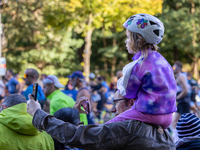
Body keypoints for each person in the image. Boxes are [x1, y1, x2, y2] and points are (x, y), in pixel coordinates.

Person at [26, 93, 176, 149]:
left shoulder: (131, 128)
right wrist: (73, 113)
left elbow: (78, 136)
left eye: (115, 102)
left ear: (131, 103)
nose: (112, 110)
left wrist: (37, 114)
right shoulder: (162, 132)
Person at [107, 14, 177, 129]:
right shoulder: (163, 61)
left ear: (138, 40)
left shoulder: (137, 65)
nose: (126, 41)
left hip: (148, 113)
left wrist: (120, 83)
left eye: (128, 37)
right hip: (168, 116)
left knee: (107, 129)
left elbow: (128, 93)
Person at [172, 61, 190, 141]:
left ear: (178, 69)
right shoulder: (179, 76)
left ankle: (177, 139)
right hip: (182, 102)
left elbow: (185, 90)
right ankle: (178, 139)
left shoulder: (180, 77)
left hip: (183, 102)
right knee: (177, 122)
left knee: (175, 121)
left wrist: (177, 98)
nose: (173, 69)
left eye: (174, 68)